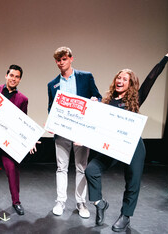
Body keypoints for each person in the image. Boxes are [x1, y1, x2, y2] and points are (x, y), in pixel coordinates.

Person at [85, 49, 168, 232]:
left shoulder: (136, 99)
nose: (120, 81)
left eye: (125, 79)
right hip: (112, 146)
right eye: (119, 77)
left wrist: (166, 57)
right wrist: (93, 106)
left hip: (133, 147)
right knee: (91, 169)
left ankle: (125, 216)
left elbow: (151, 78)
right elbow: (97, 125)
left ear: (131, 84)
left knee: (132, 182)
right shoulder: (107, 101)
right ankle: (99, 203)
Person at [47, 47, 102, 218]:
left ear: (71, 58)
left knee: (81, 167)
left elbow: (98, 97)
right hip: (62, 131)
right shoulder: (52, 84)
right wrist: (51, 122)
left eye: (64, 59)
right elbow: (51, 108)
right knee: (61, 168)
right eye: (58, 60)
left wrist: (95, 101)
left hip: (81, 131)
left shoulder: (86, 77)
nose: (61, 62)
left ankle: (81, 203)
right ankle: (60, 201)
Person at [0, 64, 31, 215]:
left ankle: (16, 201)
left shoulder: (23, 99)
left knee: (12, 169)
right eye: (11, 75)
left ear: (20, 80)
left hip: (9, 140)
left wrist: (30, 139)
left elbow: (23, 122)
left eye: (17, 77)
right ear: (6, 76)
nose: (13, 79)